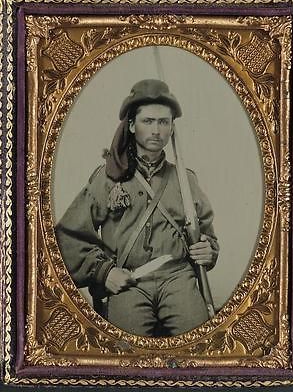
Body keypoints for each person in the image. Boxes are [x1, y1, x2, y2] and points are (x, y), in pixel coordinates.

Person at [55, 79, 219, 337]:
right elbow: (68, 236)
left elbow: (207, 234)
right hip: (129, 281)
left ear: (172, 128)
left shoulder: (185, 180)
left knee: (200, 345)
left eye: (163, 122)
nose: (156, 130)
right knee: (125, 353)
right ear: (131, 125)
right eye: (148, 121)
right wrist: (103, 273)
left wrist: (208, 250)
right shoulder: (107, 178)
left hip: (177, 277)